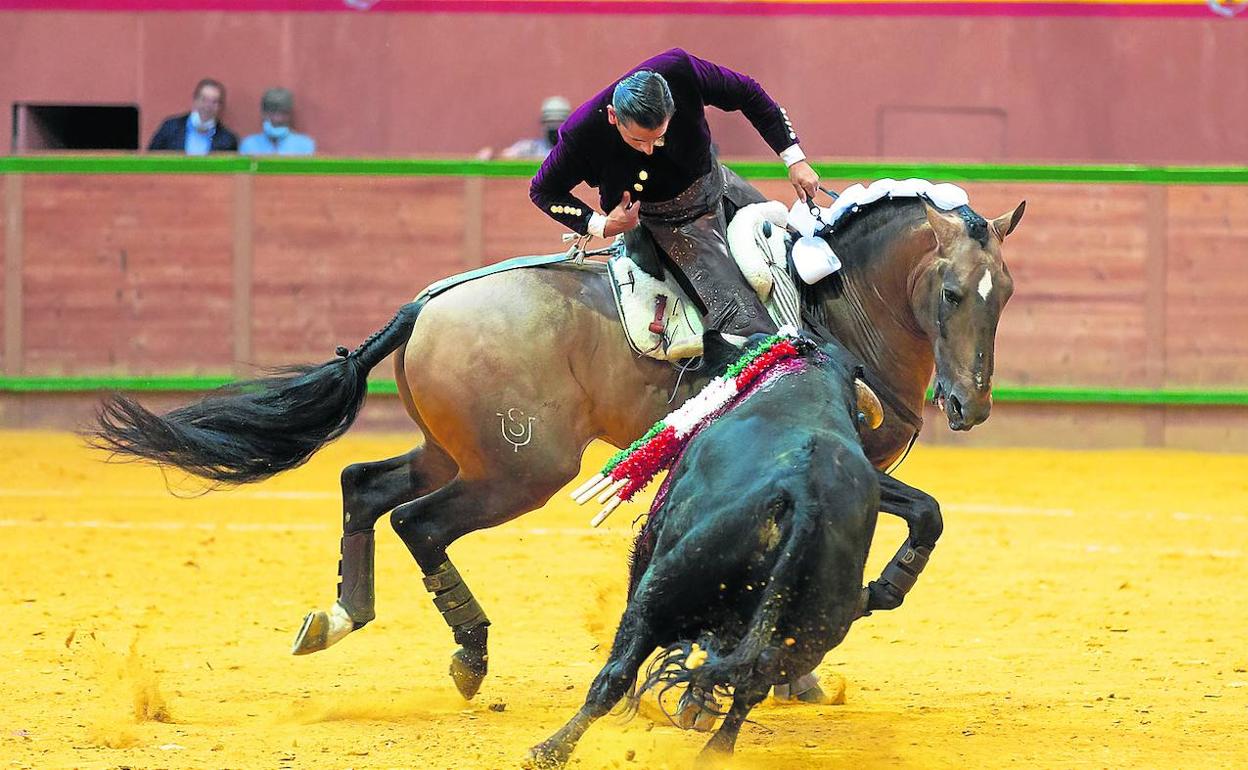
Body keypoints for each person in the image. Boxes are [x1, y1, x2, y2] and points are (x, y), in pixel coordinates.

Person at [529, 48, 820, 342]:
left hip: (723, 187)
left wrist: (794, 158)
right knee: (747, 326)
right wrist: (602, 225)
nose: (649, 149)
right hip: (664, 228)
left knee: (806, 269)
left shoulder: (680, 72)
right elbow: (542, 189)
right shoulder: (583, 133)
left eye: (660, 136)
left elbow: (747, 92)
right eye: (638, 140)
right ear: (613, 116)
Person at [147, 78, 239, 154]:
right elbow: (150, 158)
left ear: (220, 107)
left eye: (214, 102)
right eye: (204, 99)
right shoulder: (170, 128)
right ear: (195, 100)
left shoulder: (227, 140)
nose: (208, 106)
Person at [480, 96, 571, 160]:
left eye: (558, 122)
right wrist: (491, 157)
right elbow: (507, 156)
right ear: (543, 123)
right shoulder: (531, 148)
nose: (554, 126)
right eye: (550, 122)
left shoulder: (574, 150)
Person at [239, 87, 316, 156]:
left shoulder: (304, 145)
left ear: (290, 115)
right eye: (272, 112)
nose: (278, 119)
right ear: (263, 114)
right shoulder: (249, 145)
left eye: (283, 113)